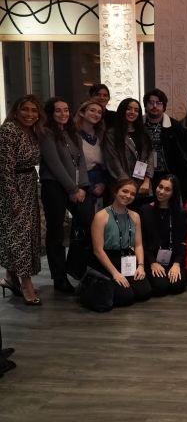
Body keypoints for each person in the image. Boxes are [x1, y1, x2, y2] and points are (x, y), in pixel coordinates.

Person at [40, 97, 93, 294]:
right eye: (58, 111)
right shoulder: (46, 133)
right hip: (53, 186)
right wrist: (72, 189)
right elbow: (54, 164)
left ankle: (74, 266)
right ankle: (59, 277)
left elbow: (81, 163)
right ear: (50, 114)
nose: (63, 114)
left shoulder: (73, 133)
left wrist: (82, 187)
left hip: (77, 187)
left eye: (66, 110)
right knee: (56, 232)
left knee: (88, 221)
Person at [0, 95, 45, 305]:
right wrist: (14, 201)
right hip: (12, 189)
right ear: (16, 111)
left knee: (23, 235)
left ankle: (11, 278)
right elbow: (5, 171)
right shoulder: (9, 131)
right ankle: (26, 284)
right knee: (21, 236)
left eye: (34, 110)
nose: (30, 114)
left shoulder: (33, 132)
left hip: (29, 186)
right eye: (25, 109)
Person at [88, 178, 152, 308]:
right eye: (125, 191)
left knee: (144, 292)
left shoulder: (135, 216)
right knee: (125, 297)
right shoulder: (101, 216)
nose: (128, 196)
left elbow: (138, 244)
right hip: (108, 260)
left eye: (132, 194)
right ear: (116, 192)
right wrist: (115, 273)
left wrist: (140, 265)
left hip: (128, 259)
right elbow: (98, 250)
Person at [139, 174, 187, 297]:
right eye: (160, 187)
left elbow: (182, 241)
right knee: (161, 287)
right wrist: (152, 262)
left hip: (172, 259)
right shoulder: (145, 210)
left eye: (167, 189)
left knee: (177, 286)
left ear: (173, 193)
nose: (161, 191)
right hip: (152, 259)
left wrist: (177, 263)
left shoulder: (180, 213)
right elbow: (142, 242)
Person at [103, 98, 154, 203]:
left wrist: (147, 179)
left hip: (142, 186)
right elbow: (113, 161)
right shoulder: (111, 134)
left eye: (136, 110)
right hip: (122, 187)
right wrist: (128, 184)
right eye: (129, 109)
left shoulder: (143, 133)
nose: (132, 112)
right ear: (122, 110)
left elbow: (151, 156)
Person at [142, 88, 180, 189]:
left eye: (158, 103)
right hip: (141, 174)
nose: (154, 106)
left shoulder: (175, 126)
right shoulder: (138, 125)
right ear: (145, 105)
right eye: (151, 102)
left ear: (164, 106)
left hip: (166, 174)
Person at [75, 98, 109, 210]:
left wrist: (103, 183)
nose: (96, 114)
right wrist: (90, 186)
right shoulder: (74, 136)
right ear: (82, 113)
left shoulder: (102, 135)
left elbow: (107, 163)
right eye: (92, 110)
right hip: (83, 184)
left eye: (99, 112)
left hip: (102, 182)